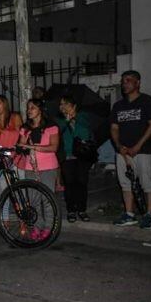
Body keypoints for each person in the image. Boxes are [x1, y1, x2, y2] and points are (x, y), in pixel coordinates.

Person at [110, 70, 151, 229]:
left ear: (137, 83)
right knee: (125, 183)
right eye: (123, 81)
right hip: (123, 151)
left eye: (128, 80)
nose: (124, 83)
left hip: (143, 150)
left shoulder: (148, 101)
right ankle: (129, 214)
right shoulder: (118, 105)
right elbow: (114, 127)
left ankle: (149, 215)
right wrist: (119, 146)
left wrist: (138, 146)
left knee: (147, 182)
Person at [16, 99, 60, 241]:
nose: (29, 110)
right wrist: (24, 145)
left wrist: (34, 147)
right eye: (28, 108)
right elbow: (20, 145)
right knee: (33, 200)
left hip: (48, 167)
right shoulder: (25, 128)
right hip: (30, 166)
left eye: (32, 108)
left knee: (47, 199)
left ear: (40, 110)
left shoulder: (51, 126)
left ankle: (48, 227)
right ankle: (36, 227)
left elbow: (54, 147)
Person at [59, 94, 94, 223]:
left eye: (66, 104)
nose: (63, 107)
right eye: (61, 104)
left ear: (74, 106)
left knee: (82, 182)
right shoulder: (59, 120)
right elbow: (57, 132)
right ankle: (71, 210)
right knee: (69, 183)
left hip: (83, 155)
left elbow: (87, 128)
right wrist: (67, 121)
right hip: (67, 156)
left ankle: (82, 209)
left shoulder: (83, 116)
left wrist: (75, 117)